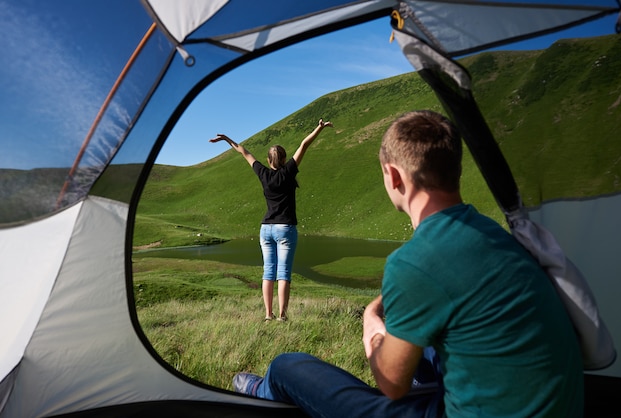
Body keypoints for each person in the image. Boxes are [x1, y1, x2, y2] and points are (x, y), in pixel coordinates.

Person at [230, 110, 584, 417]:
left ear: (394, 176)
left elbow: (390, 383)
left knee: (286, 366)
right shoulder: (498, 235)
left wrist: (371, 320)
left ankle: (262, 393)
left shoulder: (415, 261)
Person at [209, 119, 333, 322]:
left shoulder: (263, 174)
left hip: (265, 229)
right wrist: (319, 128)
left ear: (268, 160)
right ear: (284, 159)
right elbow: (304, 145)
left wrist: (226, 139)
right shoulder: (289, 171)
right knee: (283, 273)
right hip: (285, 228)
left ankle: (268, 315)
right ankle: (282, 316)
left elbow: (244, 152)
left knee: (268, 272)